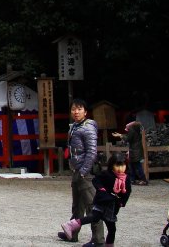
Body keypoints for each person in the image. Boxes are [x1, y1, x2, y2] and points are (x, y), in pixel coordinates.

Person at [56, 98, 105, 247]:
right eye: (73, 109)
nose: (76, 112)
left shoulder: (88, 127)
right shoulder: (75, 127)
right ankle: (72, 233)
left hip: (86, 172)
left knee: (92, 206)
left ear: (85, 111)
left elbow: (92, 152)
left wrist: (84, 171)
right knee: (77, 206)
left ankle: (98, 240)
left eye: (79, 109)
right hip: (77, 170)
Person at [61, 153, 132, 245]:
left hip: (112, 206)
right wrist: (101, 189)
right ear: (112, 165)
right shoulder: (107, 174)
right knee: (94, 217)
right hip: (102, 202)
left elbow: (127, 191)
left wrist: (123, 202)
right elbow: (96, 180)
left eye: (122, 166)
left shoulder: (126, 178)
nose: (120, 169)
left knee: (111, 229)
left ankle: (107, 244)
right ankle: (71, 225)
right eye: (117, 165)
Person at [113, 121, 147, 185]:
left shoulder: (132, 130)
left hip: (134, 151)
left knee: (136, 166)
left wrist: (120, 135)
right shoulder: (137, 130)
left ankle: (142, 179)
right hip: (136, 150)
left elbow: (127, 138)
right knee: (133, 166)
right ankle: (133, 179)